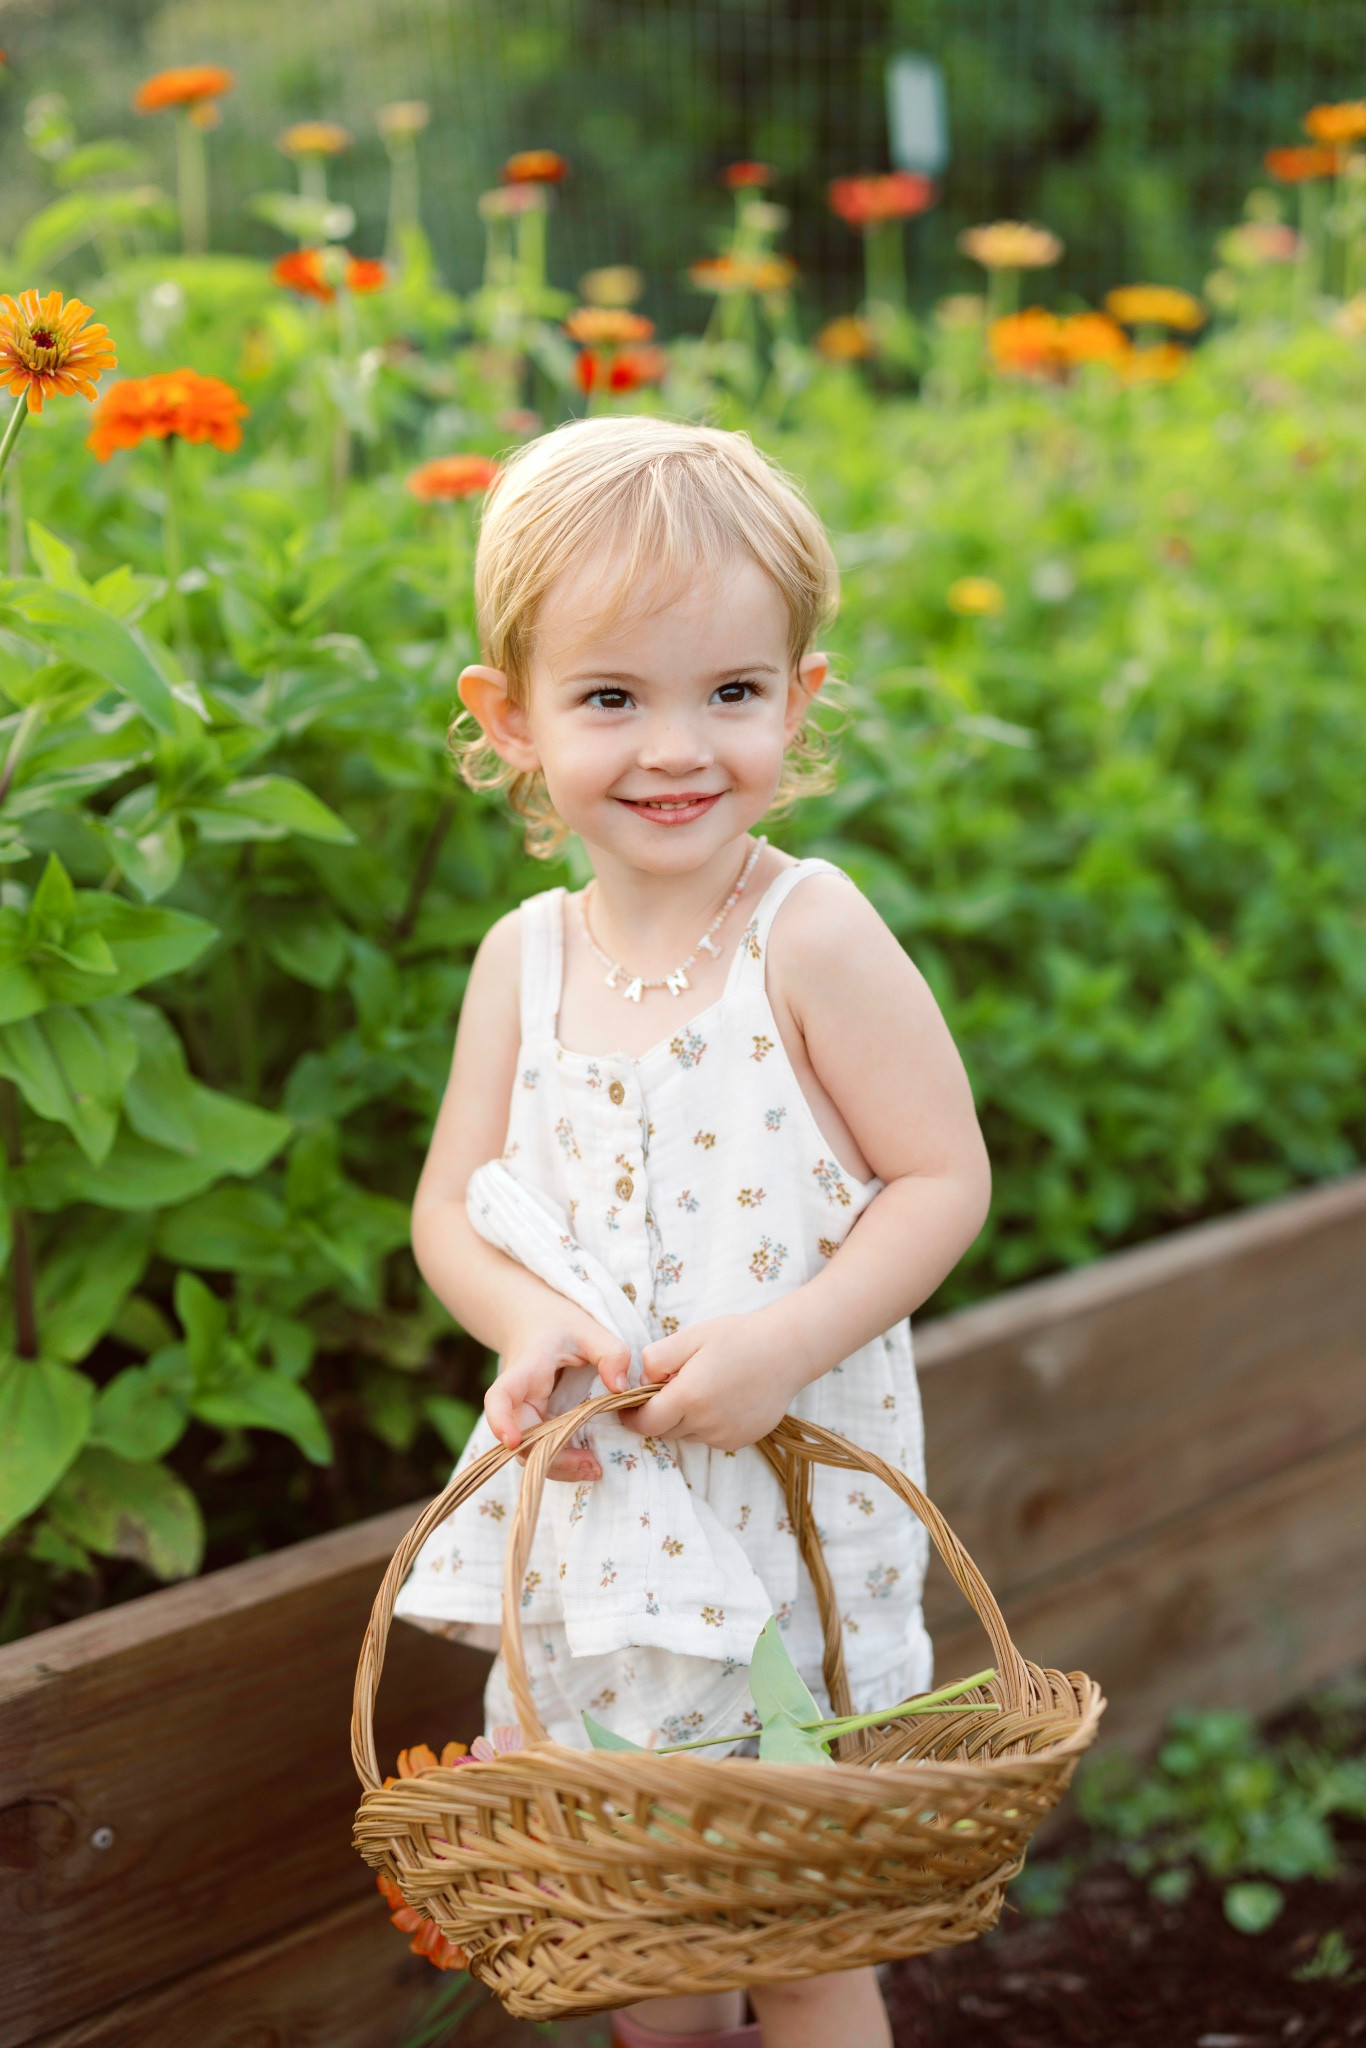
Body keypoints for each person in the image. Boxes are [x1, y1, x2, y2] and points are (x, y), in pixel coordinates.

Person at [398, 415, 992, 2048]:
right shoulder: (522, 960)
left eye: (728, 693)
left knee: (802, 1931)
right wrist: (526, 1328)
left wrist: (784, 1344)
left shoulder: (808, 935)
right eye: (611, 698)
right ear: (507, 717)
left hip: (784, 1512)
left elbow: (942, 1179)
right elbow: (451, 1209)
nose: (676, 747)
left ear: (796, 699)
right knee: (642, 1943)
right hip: (600, 1528)